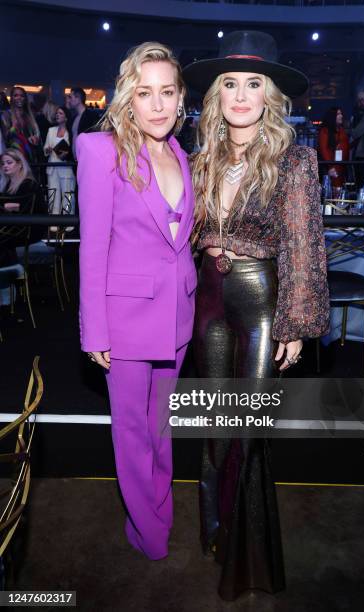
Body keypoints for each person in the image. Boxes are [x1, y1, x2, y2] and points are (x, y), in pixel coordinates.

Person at [183, 30, 330, 601]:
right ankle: (217, 532)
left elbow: (304, 243)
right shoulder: (198, 159)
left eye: (253, 84)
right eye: (229, 84)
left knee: (249, 428)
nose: (240, 95)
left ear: (269, 95)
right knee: (215, 425)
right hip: (208, 301)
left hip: (262, 299)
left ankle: (249, 558)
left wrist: (295, 321)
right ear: (216, 95)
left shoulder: (293, 158)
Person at [77, 42, 196, 560]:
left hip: (177, 315)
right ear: (128, 97)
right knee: (132, 434)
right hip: (123, 319)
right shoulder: (102, 151)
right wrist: (94, 330)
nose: (157, 104)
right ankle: (149, 532)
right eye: (145, 93)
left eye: (167, 92)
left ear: (180, 97)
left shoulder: (181, 155)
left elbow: (180, 240)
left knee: (161, 429)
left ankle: (159, 512)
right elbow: (92, 247)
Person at [43, 106, 76, 216]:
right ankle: (53, 220)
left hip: (66, 168)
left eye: (60, 113)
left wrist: (66, 154)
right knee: (52, 193)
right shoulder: (51, 130)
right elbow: (45, 148)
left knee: (68, 194)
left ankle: (68, 220)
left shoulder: (71, 132)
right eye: (57, 113)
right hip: (52, 167)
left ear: (66, 117)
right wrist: (47, 150)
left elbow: (73, 151)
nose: (57, 115)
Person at [0, 87, 41, 163]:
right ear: (11, 98)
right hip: (14, 159)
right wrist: (14, 128)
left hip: (30, 158)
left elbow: (36, 136)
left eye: (22, 96)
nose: (19, 98)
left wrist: (34, 139)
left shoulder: (29, 116)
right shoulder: (6, 115)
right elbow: (5, 139)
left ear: (25, 99)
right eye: (16, 95)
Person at [318, 107, 350, 187]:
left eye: (341, 114)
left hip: (341, 165)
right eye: (338, 114)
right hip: (332, 165)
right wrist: (330, 166)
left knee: (340, 187)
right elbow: (324, 149)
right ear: (332, 116)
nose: (341, 116)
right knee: (332, 188)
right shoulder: (325, 131)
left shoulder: (341, 130)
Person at [67, 87, 97, 160]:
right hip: (74, 161)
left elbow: (95, 139)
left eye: (71, 97)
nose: (69, 101)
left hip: (87, 159)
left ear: (78, 99)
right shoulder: (73, 119)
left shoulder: (91, 116)